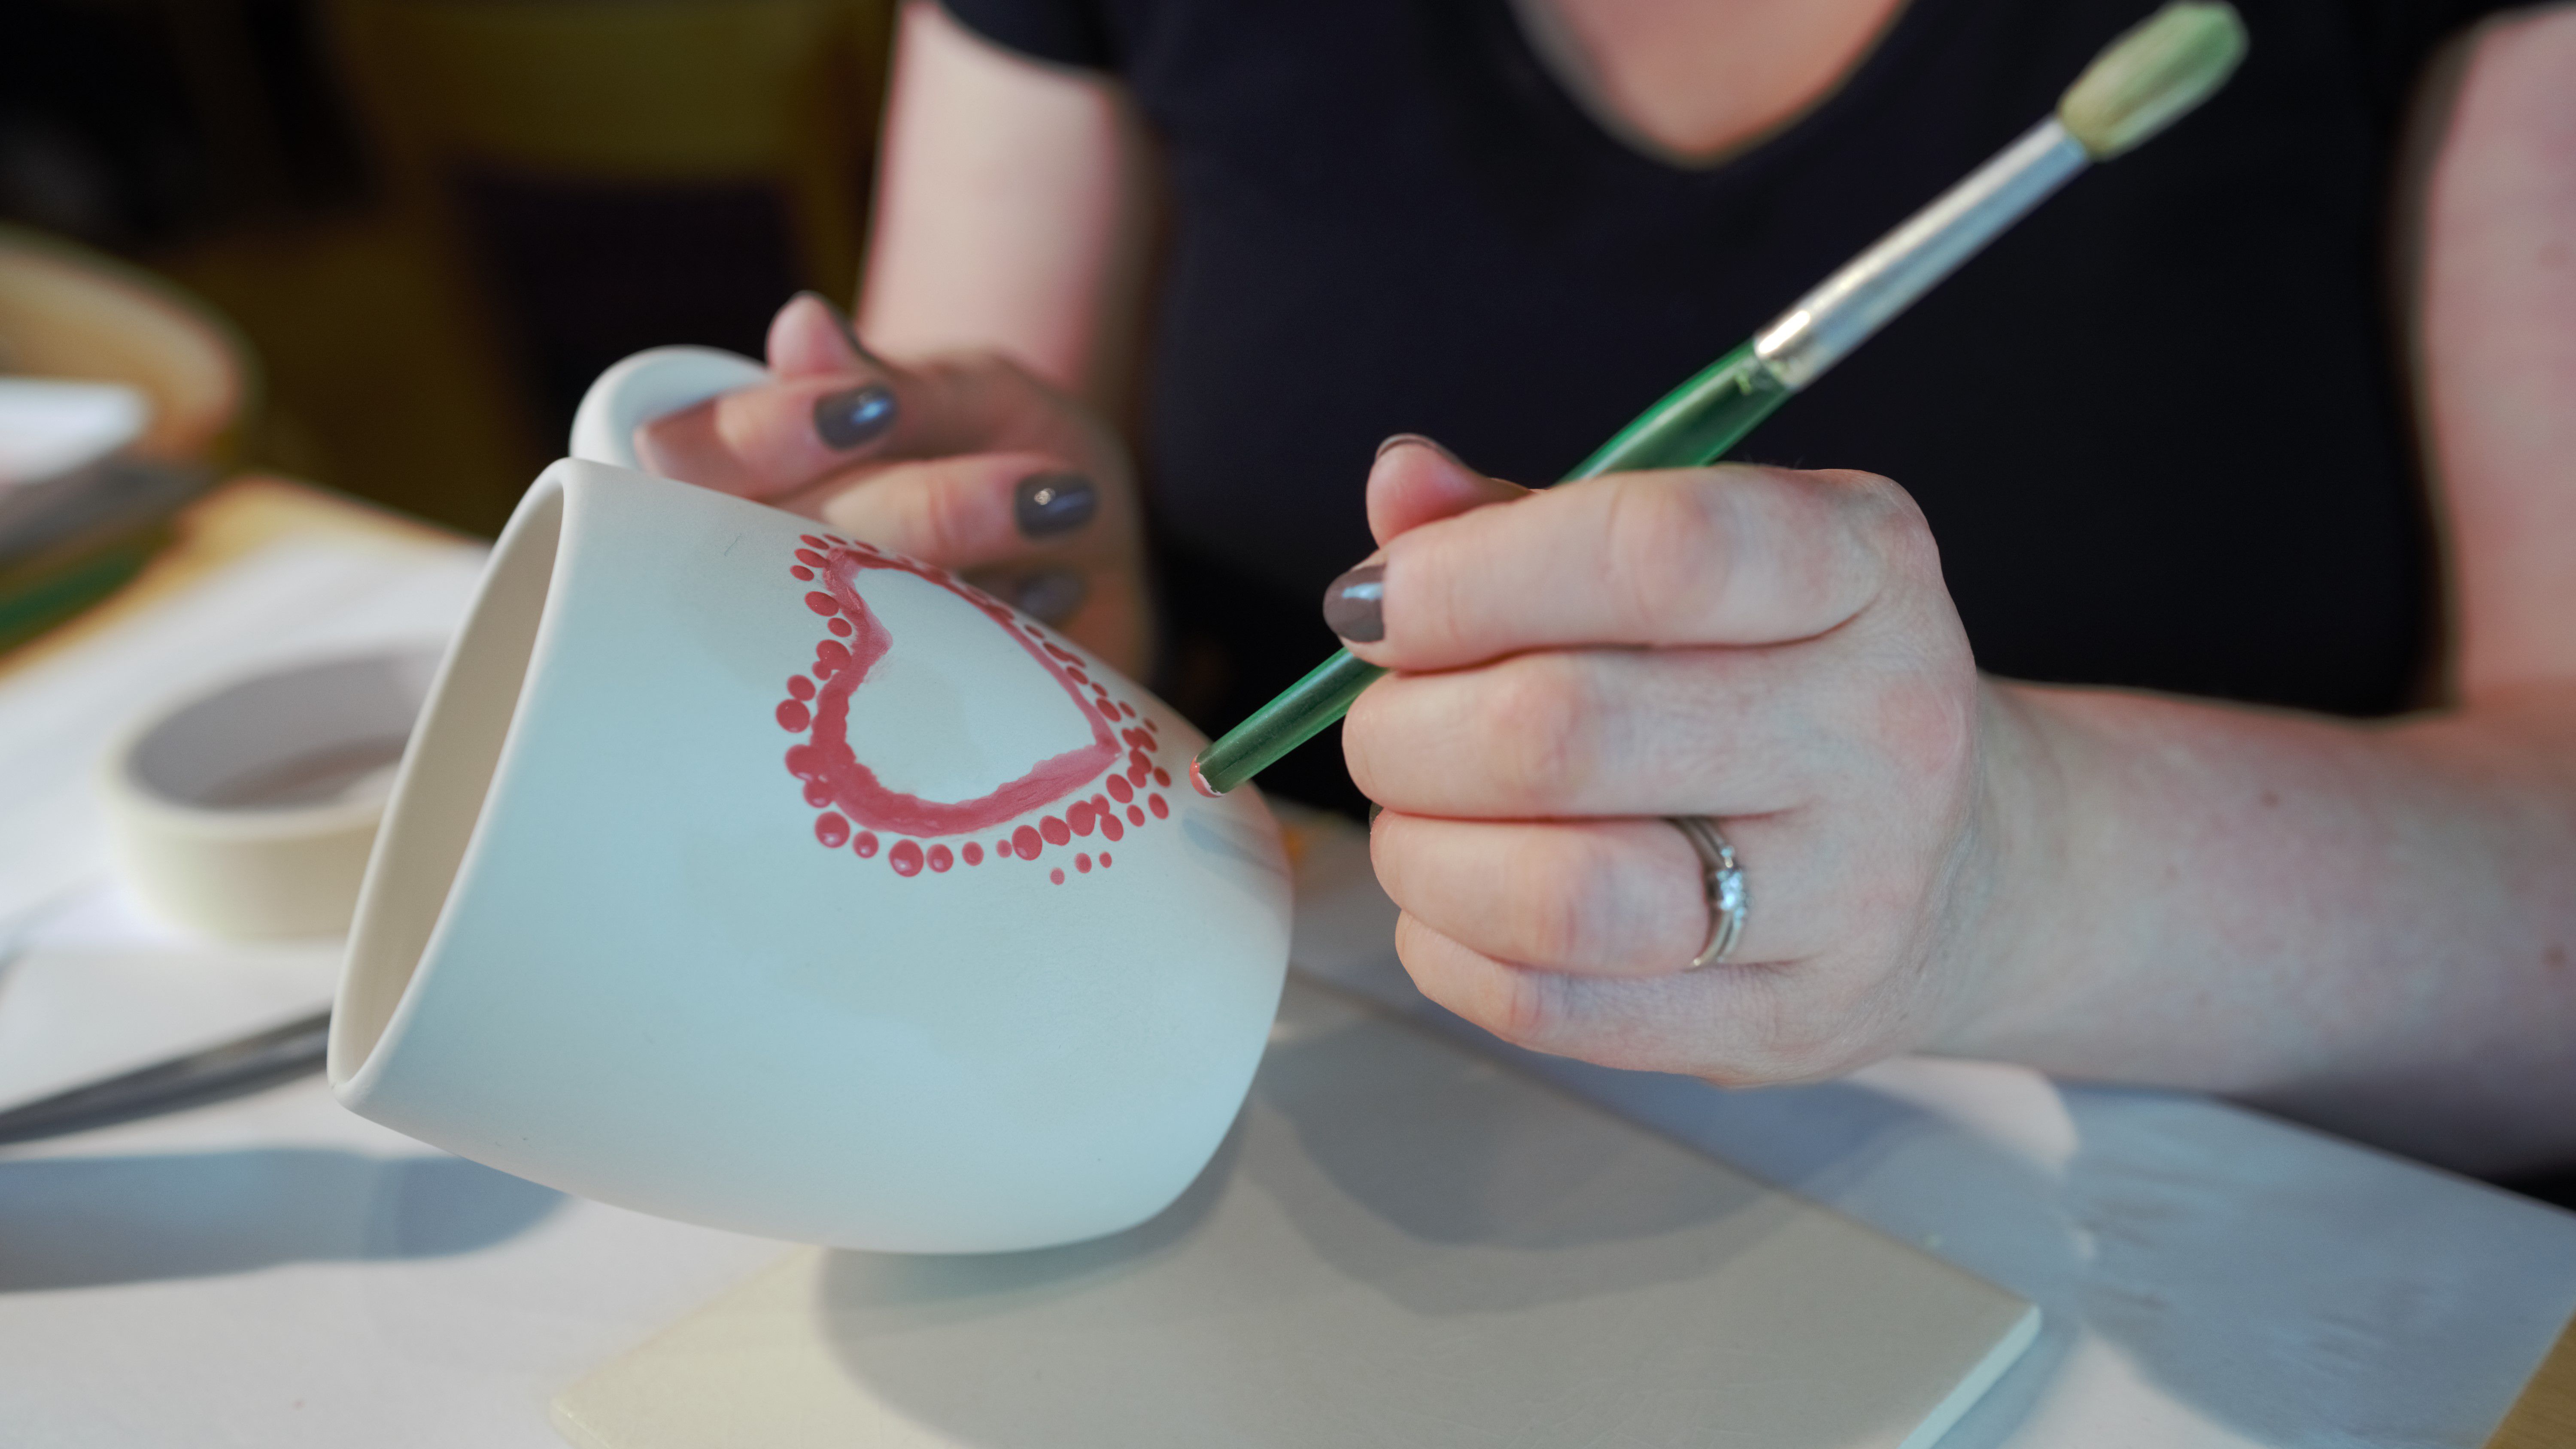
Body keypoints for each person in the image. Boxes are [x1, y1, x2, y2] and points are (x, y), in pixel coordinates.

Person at [632, 0, 2576, 1184]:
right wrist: (1023, 616)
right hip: (1277, 1172)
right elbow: (976, 489)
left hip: (2201, 1276)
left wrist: (2010, 864)